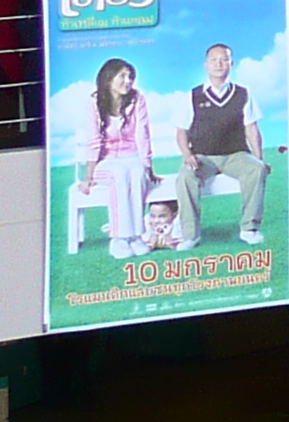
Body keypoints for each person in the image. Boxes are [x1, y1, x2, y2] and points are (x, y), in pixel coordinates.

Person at [175, 40, 268, 247]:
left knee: (256, 169)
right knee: (185, 177)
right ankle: (191, 234)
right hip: (202, 157)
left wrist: (259, 158)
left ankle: (249, 228)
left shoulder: (244, 94)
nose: (219, 64)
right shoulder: (192, 95)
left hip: (235, 155)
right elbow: (181, 131)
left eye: (224, 60)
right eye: (214, 60)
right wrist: (186, 155)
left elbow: (251, 128)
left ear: (231, 64)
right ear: (206, 65)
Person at [83, 57, 153, 259]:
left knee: (138, 172)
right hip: (106, 161)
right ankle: (118, 238)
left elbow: (143, 134)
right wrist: (89, 177)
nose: (128, 81)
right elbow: (94, 140)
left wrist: (148, 167)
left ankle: (136, 236)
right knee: (119, 173)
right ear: (108, 79)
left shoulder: (137, 99)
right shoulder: (94, 102)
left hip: (131, 156)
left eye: (130, 77)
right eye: (122, 76)